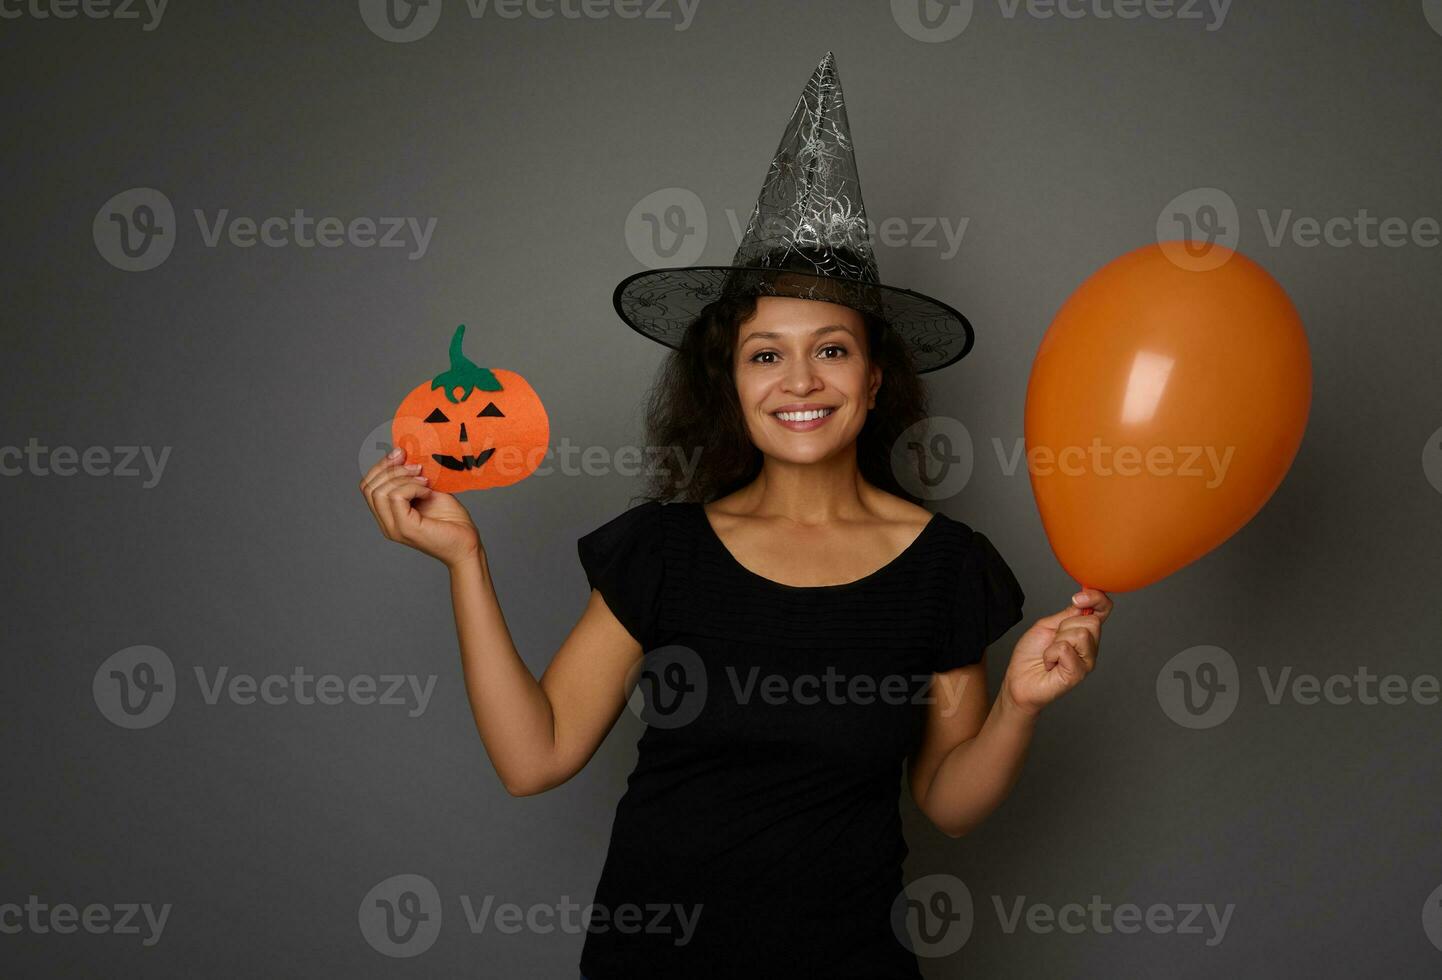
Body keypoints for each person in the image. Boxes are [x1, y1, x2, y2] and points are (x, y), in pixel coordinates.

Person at [360, 51, 1113, 980]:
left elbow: (948, 803)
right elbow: (536, 755)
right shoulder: (665, 551)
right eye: (765, 355)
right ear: (729, 381)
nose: (799, 381)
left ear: (876, 379)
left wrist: (1020, 708)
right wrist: (465, 564)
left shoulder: (944, 567)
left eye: (831, 349)